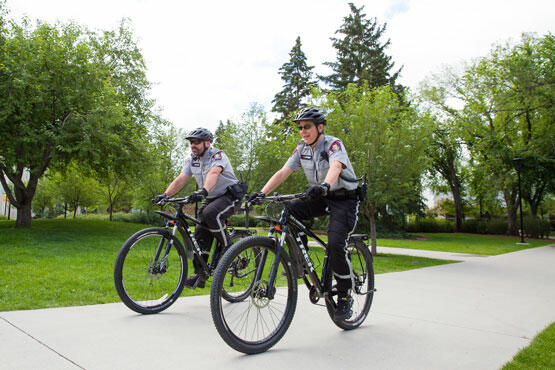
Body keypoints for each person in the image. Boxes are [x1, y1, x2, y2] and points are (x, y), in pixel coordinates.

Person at [248, 107, 361, 321]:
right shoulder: (302, 149)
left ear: (320, 127)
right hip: (323, 196)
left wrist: (326, 185)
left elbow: (336, 166)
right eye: (300, 127)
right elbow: (283, 172)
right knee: (290, 210)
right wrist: (262, 193)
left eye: (307, 126)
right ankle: (301, 263)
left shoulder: (333, 144)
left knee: (336, 243)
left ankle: (345, 295)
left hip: (345, 199)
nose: (303, 131)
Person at [154, 127, 243, 289]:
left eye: (196, 142)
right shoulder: (192, 160)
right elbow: (181, 178)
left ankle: (229, 248)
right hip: (209, 197)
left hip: (229, 195)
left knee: (210, 213)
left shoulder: (218, 155)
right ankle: (201, 274)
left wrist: (203, 191)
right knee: (200, 231)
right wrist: (165, 195)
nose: (193, 145)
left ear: (207, 143)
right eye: (191, 142)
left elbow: (214, 173)